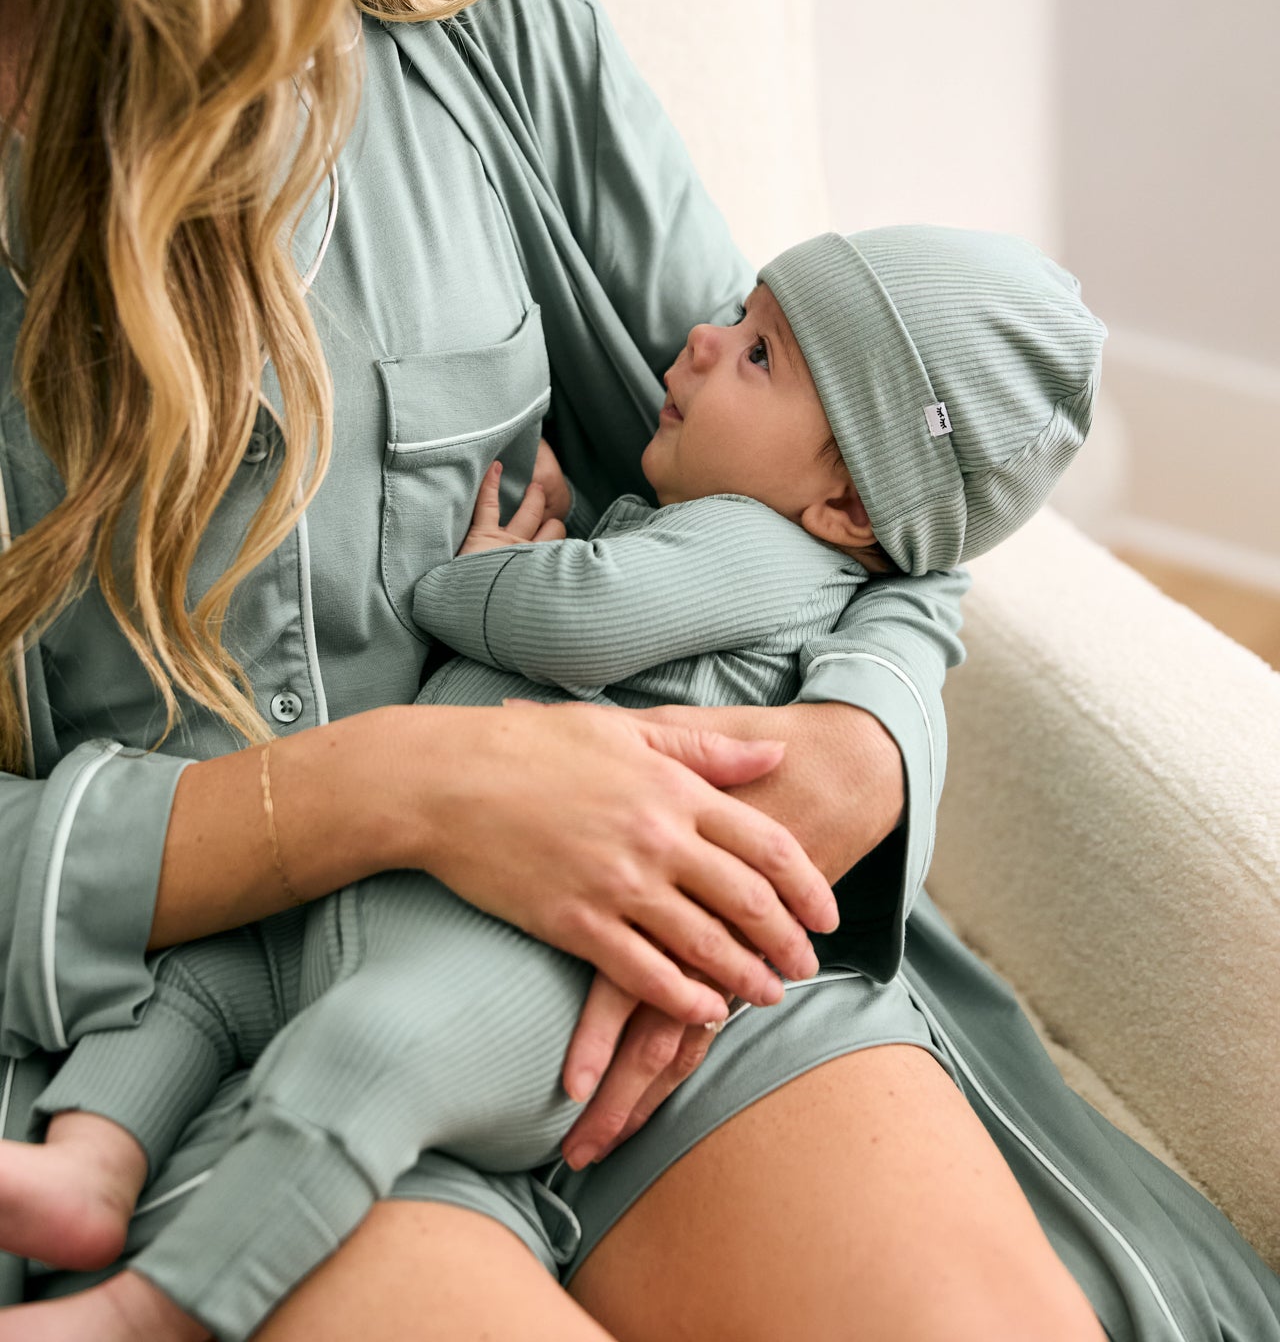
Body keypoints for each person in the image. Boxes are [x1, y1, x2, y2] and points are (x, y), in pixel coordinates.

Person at [2, 0, 1276, 1342]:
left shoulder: (494, 39)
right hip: (181, 1038)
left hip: (641, 953)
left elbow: (867, 485)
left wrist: (859, 743)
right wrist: (412, 789)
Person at [0, 224, 1107, 1342]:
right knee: (194, 972)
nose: (702, 342)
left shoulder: (757, 550)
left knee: (361, 1057)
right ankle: (92, 1169)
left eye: (760, 353)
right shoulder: (743, 516)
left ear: (851, 512)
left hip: (524, 977)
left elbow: (584, 616)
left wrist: (466, 581)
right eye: (736, 313)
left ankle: (151, 1312)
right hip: (377, 901)